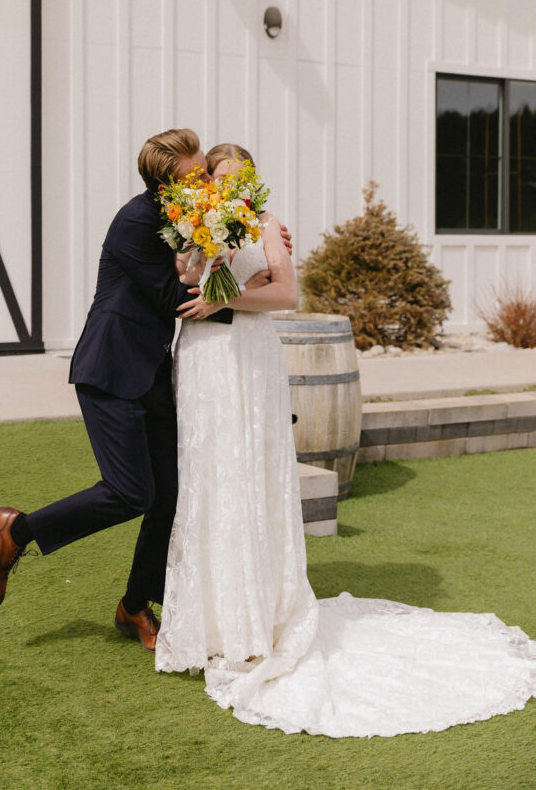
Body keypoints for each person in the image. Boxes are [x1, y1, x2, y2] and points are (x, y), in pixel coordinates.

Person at [155, 143, 536, 738]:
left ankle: (257, 617)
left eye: (233, 176)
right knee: (209, 476)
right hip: (203, 358)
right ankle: (212, 618)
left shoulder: (268, 223)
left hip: (246, 356)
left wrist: (225, 290)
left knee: (247, 473)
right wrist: (198, 252)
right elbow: (185, 279)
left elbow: (287, 295)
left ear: (250, 179)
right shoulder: (192, 220)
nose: (222, 183)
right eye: (214, 176)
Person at [0, 129, 283, 651]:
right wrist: (254, 278)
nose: (207, 183)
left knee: (168, 496)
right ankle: (17, 532)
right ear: (168, 187)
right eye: (196, 178)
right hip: (111, 370)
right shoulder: (137, 224)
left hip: (155, 374)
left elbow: (210, 250)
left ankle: (134, 606)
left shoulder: (187, 213)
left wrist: (255, 238)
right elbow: (176, 297)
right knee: (130, 493)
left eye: (205, 172)